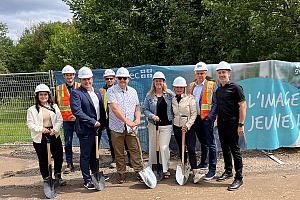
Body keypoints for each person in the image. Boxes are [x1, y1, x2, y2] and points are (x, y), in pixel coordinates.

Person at [70, 67, 106, 190]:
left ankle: (95, 174)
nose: (87, 81)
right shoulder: (76, 93)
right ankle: (87, 180)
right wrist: (92, 122)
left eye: (89, 79)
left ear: (92, 79)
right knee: (85, 155)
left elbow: (101, 109)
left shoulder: (96, 91)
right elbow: (77, 111)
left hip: (97, 128)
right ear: (80, 80)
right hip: (86, 129)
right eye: (84, 79)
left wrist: (103, 124)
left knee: (94, 153)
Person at [106, 67, 143, 184]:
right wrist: (128, 122)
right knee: (119, 152)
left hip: (131, 127)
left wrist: (137, 119)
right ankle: (121, 173)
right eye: (120, 78)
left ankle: (139, 171)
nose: (122, 80)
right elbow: (115, 109)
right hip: (117, 127)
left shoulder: (133, 91)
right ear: (116, 79)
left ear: (128, 79)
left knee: (135, 150)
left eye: (125, 78)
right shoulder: (111, 91)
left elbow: (137, 107)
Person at [27, 84, 66, 187]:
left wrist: (55, 129)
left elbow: (59, 119)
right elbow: (30, 124)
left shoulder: (54, 106)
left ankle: (58, 176)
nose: (43, 96)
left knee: (58, 156)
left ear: (48, 95)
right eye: (41, 94)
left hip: (53, 134)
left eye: (45, 94)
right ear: (37, 96)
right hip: (40, 137)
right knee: (43, 159)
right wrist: (41, 129)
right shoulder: (32, 110)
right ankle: (47, 178)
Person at [215, 61, 246, 191]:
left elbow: (243, 106)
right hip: (222, 124)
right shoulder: (219, 90)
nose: (222, 74)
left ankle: (239, 178)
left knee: (235, 150)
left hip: (233, 124)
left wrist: (241, 125)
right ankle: (228, 171)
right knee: (225, 148)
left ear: (229, 73)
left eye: (224, 72)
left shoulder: (236, 88)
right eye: (220, 72)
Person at [188, 62, 218, 182]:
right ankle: (204, 163)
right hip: (196, 119)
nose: (200, 75)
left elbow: (216, 103)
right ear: (195, 74)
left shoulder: (212, 85)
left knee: (211, 144)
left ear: (205, 73)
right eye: (198, 73)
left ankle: (212, 170)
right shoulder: (191, 86)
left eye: (202, 73)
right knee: (203, 143)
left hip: (207, 119)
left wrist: (210, 117)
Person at [172, 76, 203, 183]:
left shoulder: (190, 99)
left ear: (184, 88)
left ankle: (195, 172)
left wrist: (188, 125)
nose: (179, 89)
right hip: (177, 127)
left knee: (190, 148)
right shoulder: (173, 99)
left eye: (181, 87)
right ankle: (184, 168)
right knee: (181, 149)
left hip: (189, 128)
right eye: (177, 87)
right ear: (174, 88)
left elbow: (194, 114)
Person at [143, 71, 173, 179]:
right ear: (154, 82)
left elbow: (177, 103)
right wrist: (152, 116)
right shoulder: (149, 95)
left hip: (166, 126)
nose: (158, 82)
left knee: (163, 147)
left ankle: (165, 169)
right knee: (153, 147)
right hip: (153, 125)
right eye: (156, 81)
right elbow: (145, 109)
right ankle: (154, 168)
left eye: (160, 80)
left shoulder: (169, 94)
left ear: (164, 82)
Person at [99, 69, 130, 168]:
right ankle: (115, 158)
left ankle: (129, 158)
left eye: (111, 78)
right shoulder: (101, 91)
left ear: (114, 79)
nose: (109, 80)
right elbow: (101, 106)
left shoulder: (120, 89)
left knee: (127, 140)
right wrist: (103, 121)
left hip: (122, 118)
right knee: (112, 140)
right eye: (107, 79)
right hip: (109, 120)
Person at [55, 65, 80, 174]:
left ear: (74, 75)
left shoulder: (80, 86)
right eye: (67, 75)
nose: (69, 76)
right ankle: (70, 164)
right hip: (66, 121)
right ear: (64, 76)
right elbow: (55, 105)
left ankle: (85, 162)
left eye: (71, 74)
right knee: (68, 143)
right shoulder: (58, 89)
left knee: (84, 141)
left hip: (79, 120)